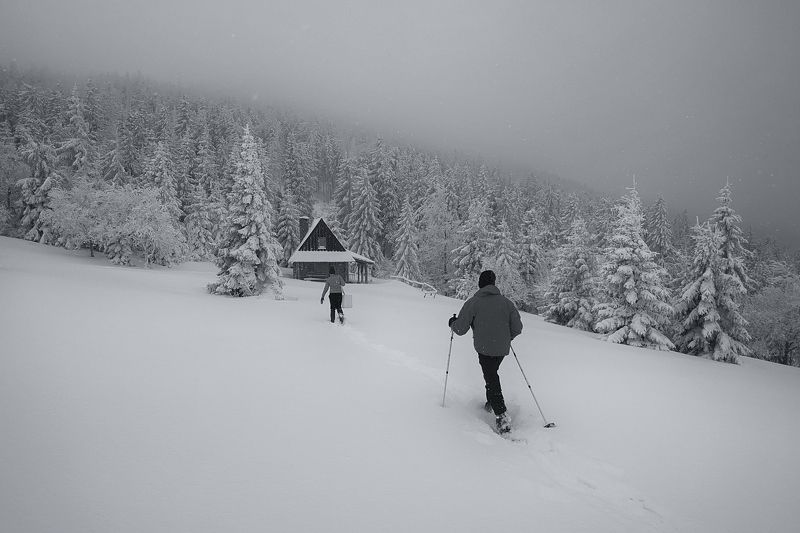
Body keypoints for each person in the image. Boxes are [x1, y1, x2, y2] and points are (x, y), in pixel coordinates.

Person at [449, 270, 522, 433]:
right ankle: (490, 403)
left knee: (491, 377)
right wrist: (506, 337)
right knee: (491, 374)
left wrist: (452, 323)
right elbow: (517, 328)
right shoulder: (507, 303)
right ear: (494, 283)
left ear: (480, 284)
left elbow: (460, 329)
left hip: (484, 349)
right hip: (501, 349)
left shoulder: (473, 302)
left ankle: (502, 416)